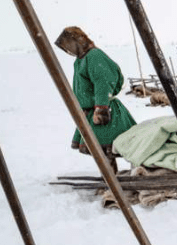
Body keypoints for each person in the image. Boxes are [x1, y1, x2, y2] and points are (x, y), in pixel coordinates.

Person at [54, 26, 136, 172]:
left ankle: (132, 174)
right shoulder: (80, 60)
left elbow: (103, 82)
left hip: (104, 110)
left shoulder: (94, 56)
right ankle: (111, 177)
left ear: (76, 42)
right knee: (103, 151)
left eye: (68, 47)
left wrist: (101, 108)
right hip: (91, 111)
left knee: (111, 147)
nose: (68, 51)